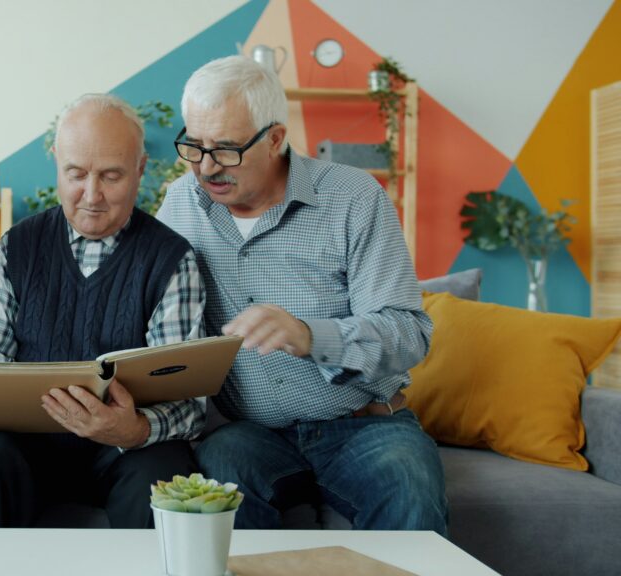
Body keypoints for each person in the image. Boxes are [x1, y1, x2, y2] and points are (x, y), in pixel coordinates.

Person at [156, 56, 448, 534]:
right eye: (195, 145)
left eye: (227, 149)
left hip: (364, 424)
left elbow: (409, 332)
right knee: (218, 474)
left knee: (407, 482)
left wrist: (311, 335)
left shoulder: (354, 197)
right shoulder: (179, 204)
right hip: (250, 434)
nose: (206, 168)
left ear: (274, 138)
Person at [0, 94, 206, 529]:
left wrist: (135, 429)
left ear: (140, 169)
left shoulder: (172, 259)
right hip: (24, 451)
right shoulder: (18, 247)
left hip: (124, 452)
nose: (92, 195)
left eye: (111, 176)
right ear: (57, 165)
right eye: (76, 174)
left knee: (163, 470)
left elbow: (190, 401)